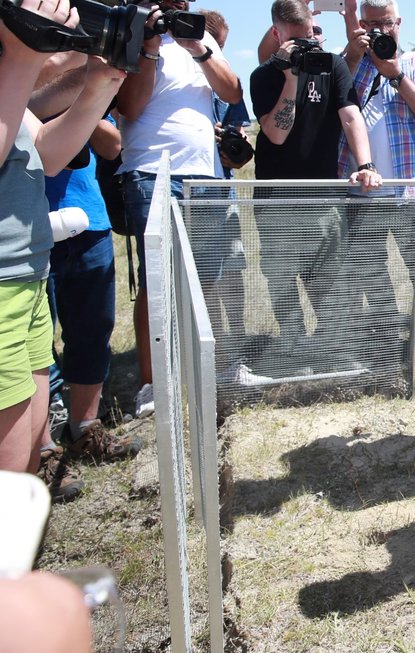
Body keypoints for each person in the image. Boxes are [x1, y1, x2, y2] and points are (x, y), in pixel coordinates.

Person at [0, 0, 126, 476]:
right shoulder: (13, 60)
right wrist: (25, 55)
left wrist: (104, 82)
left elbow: (46, 154)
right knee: (10, 480)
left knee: (27, 450)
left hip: (24, 275)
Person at [116, 0, 243, 419]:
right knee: (158, 285)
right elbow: (130, 108)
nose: (177, 8)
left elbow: (232, 91)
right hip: (152, 172)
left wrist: (199, 48)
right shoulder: (132, 33)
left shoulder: (200, 36)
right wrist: (149, 45)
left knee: (207, 280)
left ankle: (205, 367)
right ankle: (153, 384)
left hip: (204, 177)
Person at [250, 0, 381, 357]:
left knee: (331, 284)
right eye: (298, 40)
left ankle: (331, 351)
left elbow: (351, 116)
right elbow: (277, 134)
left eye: (310, 37)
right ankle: (294, 353)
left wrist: (366, 164)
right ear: (278, 34)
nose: (308, 47)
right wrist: (290, 77)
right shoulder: (263, 75)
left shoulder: (333, 65)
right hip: (278, 203)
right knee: (282, 284)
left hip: (324, 200)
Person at [338, 0, 415, 359]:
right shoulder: (347, 63)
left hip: (408, 192)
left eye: (385, 23)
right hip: (359, 192)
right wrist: (353, 54)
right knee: (369, 273)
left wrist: (396, 76)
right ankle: (383, 342)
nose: (378, 32)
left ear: (398, 22)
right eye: (370, 24)